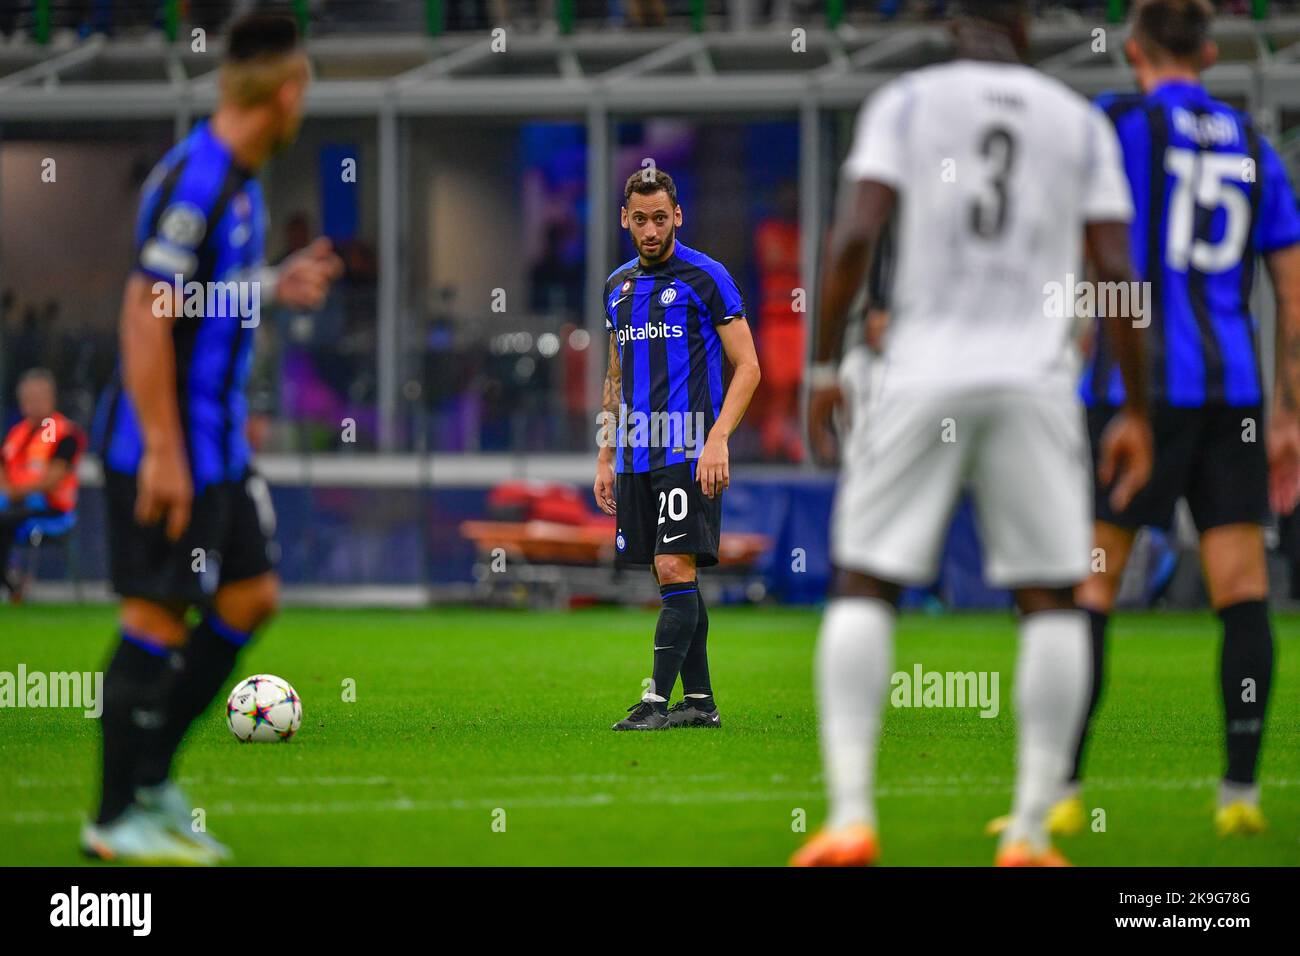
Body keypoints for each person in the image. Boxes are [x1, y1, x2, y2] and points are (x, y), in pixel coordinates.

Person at [794, 0, 1152, 866]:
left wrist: (823, 366)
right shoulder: (1077, 122)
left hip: (922, 371)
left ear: (954, 25)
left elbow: (853, 238)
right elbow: (1114, 269)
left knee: (865, 581)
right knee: (1052, 598)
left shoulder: (907, 103)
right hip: (1034, 382)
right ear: (1025, 29)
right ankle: (1029, 832)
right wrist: (1136, 407)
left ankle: (850, 818)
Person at [84, 12, 343, 865]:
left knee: (249, 597)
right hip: (167, 447)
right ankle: (114, 818)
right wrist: (163, 448)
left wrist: (271, 283)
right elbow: (144, 313)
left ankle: (152, 776)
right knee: (155, 615)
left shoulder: (243, 179)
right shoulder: (197, 179)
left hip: (218, 448)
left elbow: (200, 295)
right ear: (286, 91)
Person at [1060, 0, 1300, 839]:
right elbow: (1292, 289)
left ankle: (1060, 789)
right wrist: (1287, 410)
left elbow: (1098, 250)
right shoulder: (1253, 143)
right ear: (1208, 50)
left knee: (1094, 581)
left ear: (1133, 49)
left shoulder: (1115, 122)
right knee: (1243, 589)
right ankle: (1240, 795)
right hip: (1232, 391)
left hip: (1139, 388)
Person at [593, 169, 762, 731]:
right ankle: (701, 704)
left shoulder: (708, 278)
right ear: (625, 218)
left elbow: (749, 367)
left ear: (678, 216)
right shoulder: (616, 288)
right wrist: (604, 453)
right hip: (636, 454)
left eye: (660, 218)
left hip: (689, 450)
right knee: (672, 577)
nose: (649, 229)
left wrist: (718, 440)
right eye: (639, 219)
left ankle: (656, 704)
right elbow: (615, 378)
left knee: (673, 563)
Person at [0, 369, 85, 600]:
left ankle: (10, 580)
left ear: (51, 398)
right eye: (27, 398)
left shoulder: (64, 433)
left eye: (38, 397)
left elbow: (52, 480)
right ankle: (11, 579)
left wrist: (15, 491)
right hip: (12, 505)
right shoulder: (17, 433)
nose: (31, 403)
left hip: (49, 509)